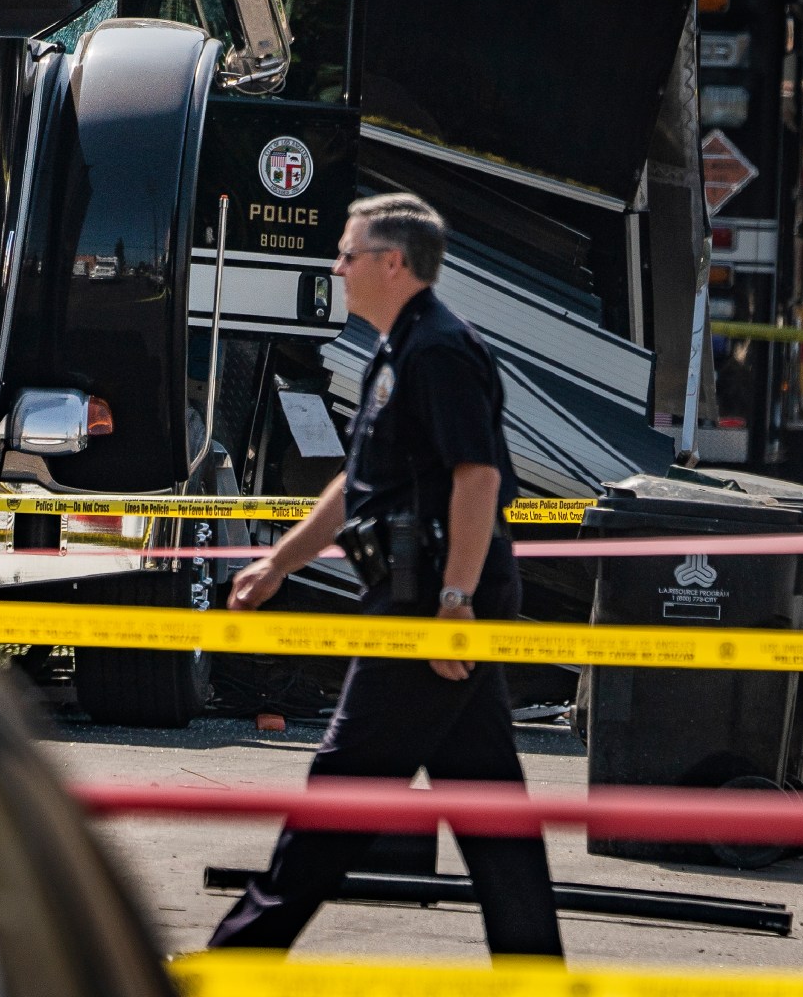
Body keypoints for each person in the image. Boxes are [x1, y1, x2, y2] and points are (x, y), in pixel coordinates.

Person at [211, 192, 563, 956]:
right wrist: (277, 563)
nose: (336, 268)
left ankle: (237, 959)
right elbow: (360, 484)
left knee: (343, 782)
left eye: (347, 253)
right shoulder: (397, 349)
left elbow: (478, 479)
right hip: (425, 592)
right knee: (489, 804)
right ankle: (536, 971)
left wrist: (455, 602)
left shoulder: (437, 351)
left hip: (429, 600)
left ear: (392, 262)